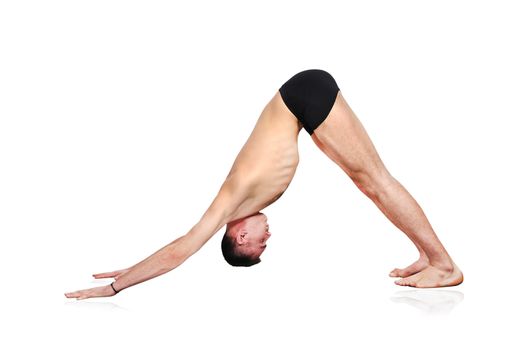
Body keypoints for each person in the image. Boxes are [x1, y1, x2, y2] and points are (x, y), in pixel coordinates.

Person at [65, 69, 463, 300]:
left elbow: (180, 251)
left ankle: (443, 264)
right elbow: (174, 248)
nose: (268, 237)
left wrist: (117, 287)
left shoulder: (230, 202)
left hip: (302, 96)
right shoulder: (238, 203)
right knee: (369, 182)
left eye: (260, 245)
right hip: (301, 102)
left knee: (374, 180)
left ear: (239, 239)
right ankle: (429, 257)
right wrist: (132, 267)